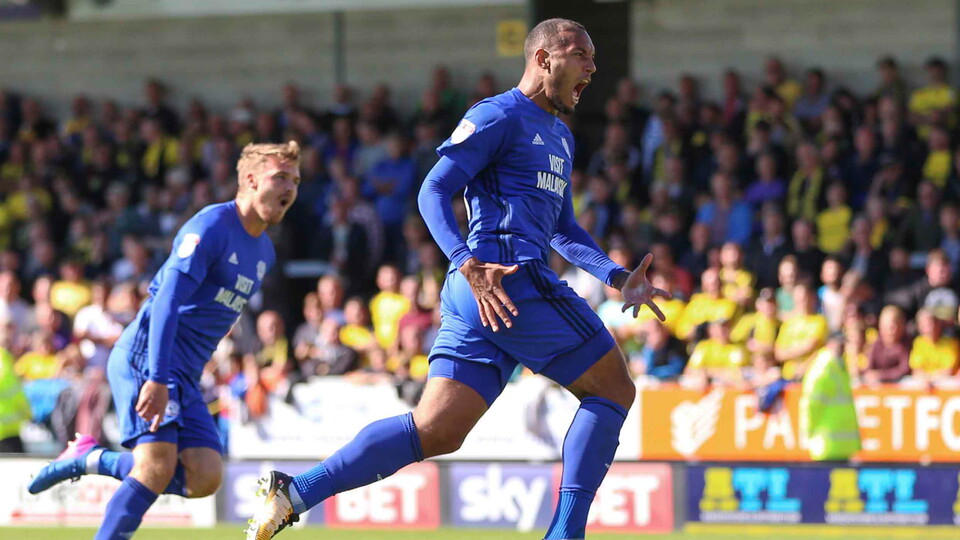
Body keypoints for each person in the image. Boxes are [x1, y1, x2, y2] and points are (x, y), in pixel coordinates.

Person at [245, 18, 669, 540]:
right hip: (509, 278)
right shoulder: (497, 114)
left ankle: (294, 492)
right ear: (543, 59)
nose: (593, 67)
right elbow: (433, 190)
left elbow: (562, 229)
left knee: (436, 430)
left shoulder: (561, 136)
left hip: (483, 295)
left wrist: (618, 276)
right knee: (614, 389)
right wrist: (466, 261)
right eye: (581, 54)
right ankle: (566, 534)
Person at [27, 141, 300, 540]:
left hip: (185, 373)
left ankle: (91, 458)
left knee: (205, 476)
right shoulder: (211, 227)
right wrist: (156, 377)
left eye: (295, 181)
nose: (290, 188)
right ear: (251, 179)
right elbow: (166, 302)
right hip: (148, 359)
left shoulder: (264, 252)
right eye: (280, 177)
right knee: (155, 466)